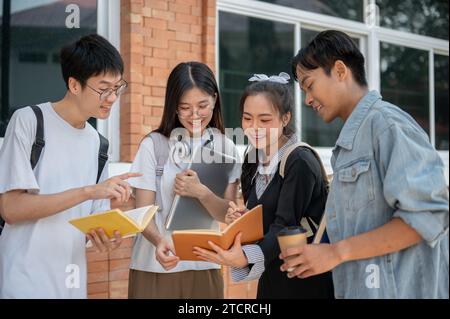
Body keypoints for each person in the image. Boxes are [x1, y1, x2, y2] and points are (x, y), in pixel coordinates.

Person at [281, 30, 449, 299]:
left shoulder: (386, 126)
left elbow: (428, 217)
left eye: (309, 85)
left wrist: (337, 252)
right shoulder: (351, 141)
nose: (307, 99)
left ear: (339, 70)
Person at [0, 34, 139, 298]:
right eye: (103, 88)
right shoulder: (30, 121)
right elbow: (11, 208)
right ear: (74, 85)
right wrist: (88, 192)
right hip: (23, 282)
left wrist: (105, 235)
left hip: (72, 287)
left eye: (117, 87)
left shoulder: (99, 145)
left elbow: (89, 228)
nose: (112, 97)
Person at [193, 73, 334, 299]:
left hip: (308, 280)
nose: (254, 127)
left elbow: (285, 223)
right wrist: (245, 218)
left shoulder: (299, 161)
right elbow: (266, 219)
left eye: (265, 120)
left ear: (285, 118)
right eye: (247, 118)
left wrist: (246, 256)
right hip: (273, 277)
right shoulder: (251, 159)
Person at [127, 61, 241, 299]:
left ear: (215, 100)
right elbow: (142, 211)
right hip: (155, 264)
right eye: (185, 107)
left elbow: (226, 214)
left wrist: (201, 192)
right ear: (173, 108)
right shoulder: (153, 146)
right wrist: (159, 241)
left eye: (202, 105)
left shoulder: (226, 147)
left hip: (204, 263)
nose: (195, 115)